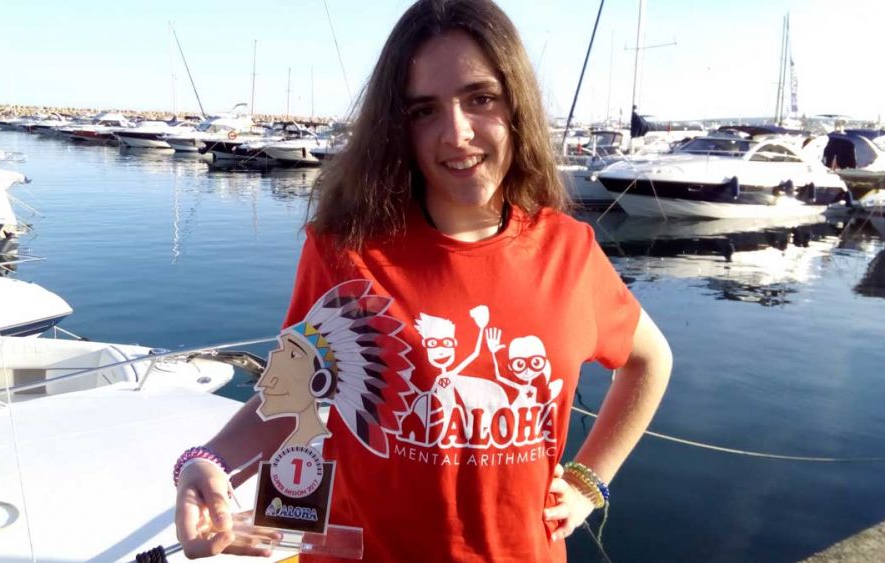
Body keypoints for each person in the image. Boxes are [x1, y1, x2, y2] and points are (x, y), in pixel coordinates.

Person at [173, 0, 672, 561]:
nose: (457, 133)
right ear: (398, 127)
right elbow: (294, 393)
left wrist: (588, 481)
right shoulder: (345, 250)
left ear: (516, 106)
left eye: (480, 98)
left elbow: (650, 362)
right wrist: (206, 462)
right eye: (424, 110)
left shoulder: (569, 251)